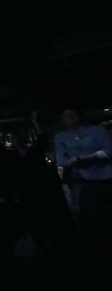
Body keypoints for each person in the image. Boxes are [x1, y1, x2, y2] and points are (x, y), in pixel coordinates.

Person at [53, 108, 112, 271]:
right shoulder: (61, 137)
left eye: (72, 114)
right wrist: (63, 171)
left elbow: (109, 151)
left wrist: (81, 158)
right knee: (89, 220)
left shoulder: (97, 130)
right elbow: (61, 160)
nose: (69, 118)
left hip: (107, 178)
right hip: (83, 181)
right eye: (64, 116)